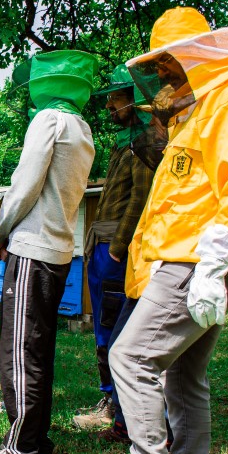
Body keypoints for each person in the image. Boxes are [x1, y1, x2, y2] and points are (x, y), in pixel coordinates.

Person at [82, 7, 228, 454]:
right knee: (183, 377)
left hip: (203, 260)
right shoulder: (203, 110)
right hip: (192, 261)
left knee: (130, 357)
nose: (165, 81)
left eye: (171, 69)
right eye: (162, 72)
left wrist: (213, 267)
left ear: (199, 56)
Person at [0, 50, 98, 454]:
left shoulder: (48, 121)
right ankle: (38, 442)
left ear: (43, 86)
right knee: (40, 348)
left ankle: (19, 451)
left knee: (19, 351)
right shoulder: (83, 128)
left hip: (33, 247)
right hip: (59, 248)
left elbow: (24, 187)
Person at [73, 65, 155, 431]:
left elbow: (140, 199)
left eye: (115, 101)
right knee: (105, 328)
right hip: (103, 245)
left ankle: (119, 411)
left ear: (135, 102)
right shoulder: (125, 143)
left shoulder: (143, 145)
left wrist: (119, 247)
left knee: (111, 327)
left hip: (114, 251)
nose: (109, 108)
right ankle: (112, 401)